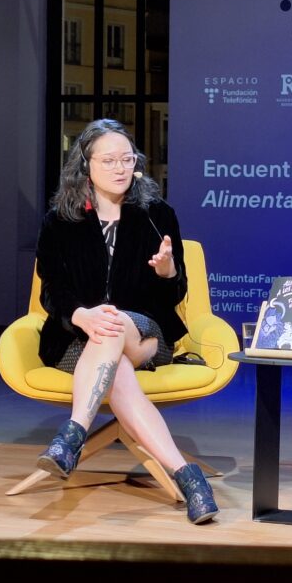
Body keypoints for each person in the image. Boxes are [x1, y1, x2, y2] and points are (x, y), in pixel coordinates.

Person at [34, 119, 218, 524]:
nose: (120, 168)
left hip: (145, 335)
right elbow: (53, 291)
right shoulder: (59, 222)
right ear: (85, 164)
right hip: (76, 338)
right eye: (109, 160)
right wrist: (81, 314)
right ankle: (189, 477)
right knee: (113, 362)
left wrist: (168, 271)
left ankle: (72, 434)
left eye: (127, 159)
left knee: (114, 323)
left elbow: (174, 295)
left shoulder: (156, 215)